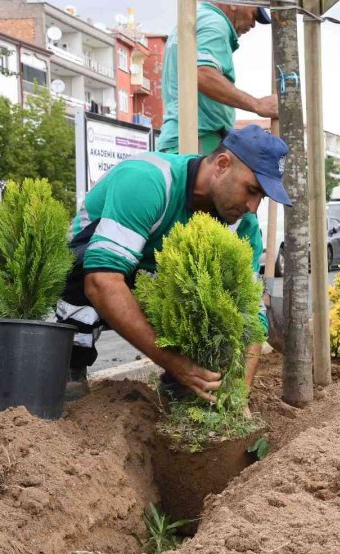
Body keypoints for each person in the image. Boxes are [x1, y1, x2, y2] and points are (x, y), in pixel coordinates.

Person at [57, 125, 291, 401]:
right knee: (88, 262)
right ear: (222, 164)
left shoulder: (243, 226)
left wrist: (240, 393)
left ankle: (182, 386)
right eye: (251, 190)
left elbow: (252, 313)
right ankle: (72, 359)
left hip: (155, 279)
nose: (253, 206)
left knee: (219, 298)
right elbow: (101, 280)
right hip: (97, 274)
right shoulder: (149, 181)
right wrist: (174, 362)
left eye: (261, 197)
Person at [156, 1, 278, 155]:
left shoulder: (195, 20)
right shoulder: (215, 24)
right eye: (254, 15)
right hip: (199, 139)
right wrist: (257, 104)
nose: (253, 24)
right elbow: (202, 73)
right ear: (234, 3)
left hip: (182, 139)